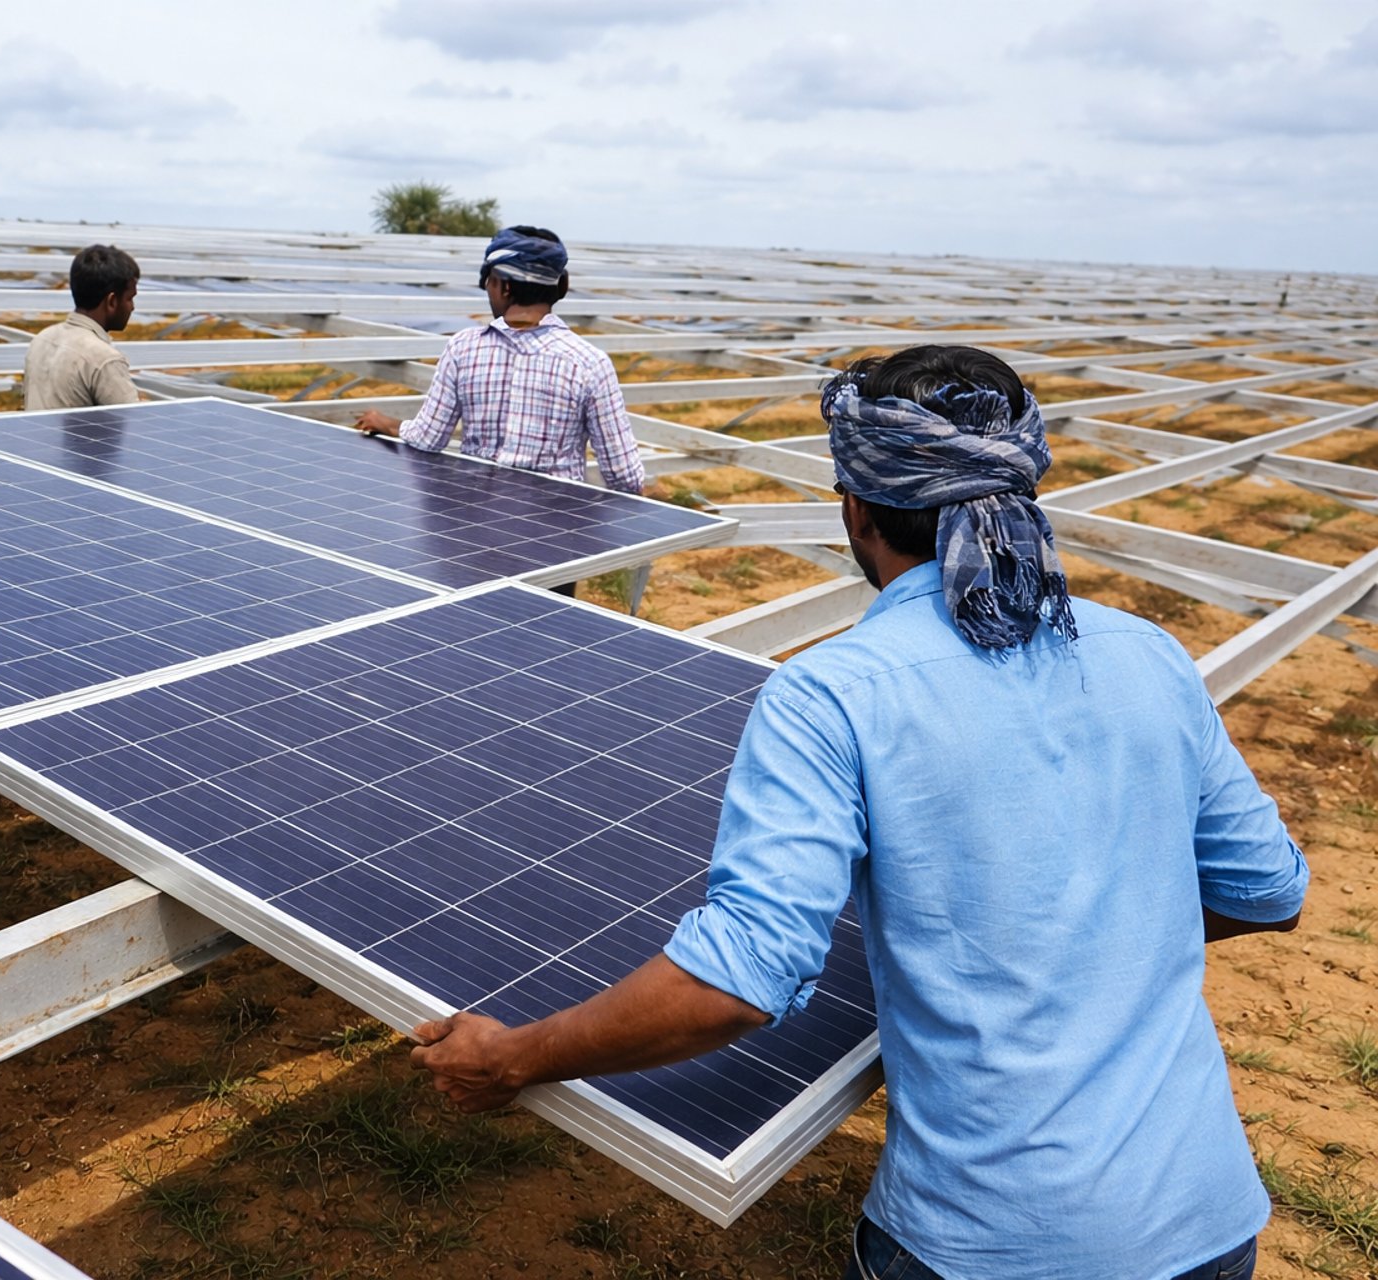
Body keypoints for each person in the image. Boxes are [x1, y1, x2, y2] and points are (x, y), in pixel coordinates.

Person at [411, 345, 1306, 1280]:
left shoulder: (834, 692)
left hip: (994, 1241)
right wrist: (1078, 939)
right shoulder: (1148, 652)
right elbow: (1268, 890)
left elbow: (734, 984)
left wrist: (513, 1057)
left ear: (856, 508)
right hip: (1208, 1219)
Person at [354, 225, 643, 491]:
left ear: (504, 287)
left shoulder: (463, 348)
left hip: (472, 513)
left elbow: (428, 438)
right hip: (556, 520)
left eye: (489, 283)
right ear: (562, 286)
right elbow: (624, 475)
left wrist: (387, 424)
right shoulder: (589, 363)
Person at [23, 243, 141, 410]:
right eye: (129, 298)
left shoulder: (41, 339)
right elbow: (132, 421)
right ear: (112, 301)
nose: (132, 307)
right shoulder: (104, 360)